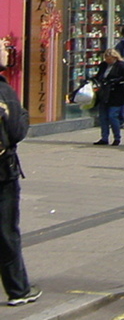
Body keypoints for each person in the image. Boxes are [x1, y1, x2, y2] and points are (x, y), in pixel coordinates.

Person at [0, 46, 37, 306]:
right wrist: (22, 115)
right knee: (6, 231)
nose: (6, 47)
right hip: (3, 172)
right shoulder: (5, 92)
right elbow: (16, 131)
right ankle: (18, 290)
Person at [92, 48, 124, 146]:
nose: (108, 61)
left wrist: (117, 81)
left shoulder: (121, 66)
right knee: (103, 116)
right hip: (105, 93)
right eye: (106, 59)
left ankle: (117, 137)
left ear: (115, 58)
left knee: (112, 116)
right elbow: (99, 76)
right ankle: (104, 137)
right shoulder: (104, 65)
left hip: (116, 94)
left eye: (110, 59)